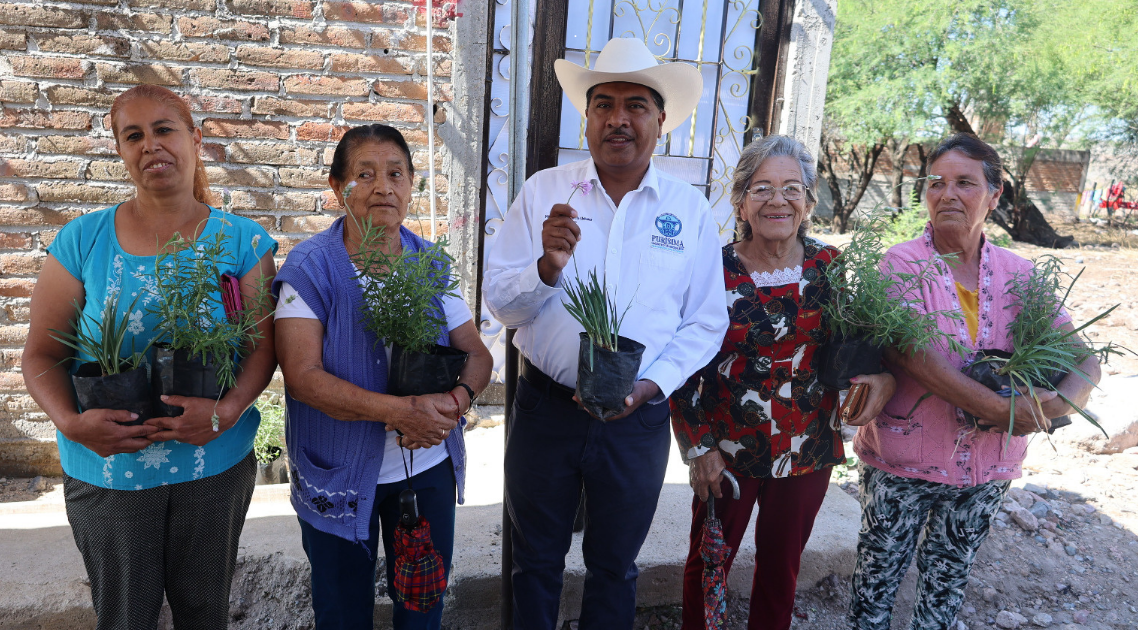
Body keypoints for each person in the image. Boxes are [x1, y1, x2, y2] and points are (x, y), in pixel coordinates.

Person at [483, 37, 730, 628]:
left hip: (638, 419)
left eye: (636, 105)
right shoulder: (546, 192)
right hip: (547, 410)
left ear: (661, 120)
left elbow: (705, 321)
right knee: (536, 561)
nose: (619, 119)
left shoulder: (688, 210)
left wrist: (654, 386)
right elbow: (500, 304)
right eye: (605, 105)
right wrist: (545, 266)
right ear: (587, 117)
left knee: (615, 567)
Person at [21, 84, 278, 630]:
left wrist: (227, 410)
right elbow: (41, 354)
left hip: (214, 464)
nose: (150, 145)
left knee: (205, 612)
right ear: (119, 150)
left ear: (195, 139)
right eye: (133, 135)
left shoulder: (242, 242)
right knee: (124, 617)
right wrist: (71, 422)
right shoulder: (81, 241)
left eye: (164, 129)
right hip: (108, 469)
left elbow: (261, 348)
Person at [847, 133, 1102, 630]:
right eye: (936, 183)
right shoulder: (898, 264)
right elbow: (912, 355)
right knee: (875, 585)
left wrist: (1053, 409)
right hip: (904, 463)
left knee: (946, 584)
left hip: (986, 469)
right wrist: (1004, 409)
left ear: (994, 193)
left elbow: (1085, 359)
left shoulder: (1021, 274)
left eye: (964, 182)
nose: (947, 194)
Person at [669, 134, 897, 630]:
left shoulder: (828, 267)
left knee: (781, 569)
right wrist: (697, 446)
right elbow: (682, 365)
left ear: (810, 202)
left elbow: (855, 346)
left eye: (792, 188)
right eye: (762, 188)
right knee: (708, 562)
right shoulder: (711, 269)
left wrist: (881, 377)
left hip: (808, 448)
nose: (778, 200)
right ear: (741, 202)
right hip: (727, 450)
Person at [274, 123, 493, 629]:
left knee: (422, 607)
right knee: (342, 611)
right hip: (338, 472)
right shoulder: (311, 269)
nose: (382, 187)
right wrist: (401, 412)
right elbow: (303, 377)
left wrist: (454, 404)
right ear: (337, 188)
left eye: (396, 173)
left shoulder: (430, 266)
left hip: (425, 468)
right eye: (364, 174)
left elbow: (477, 357)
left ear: (411, 184)